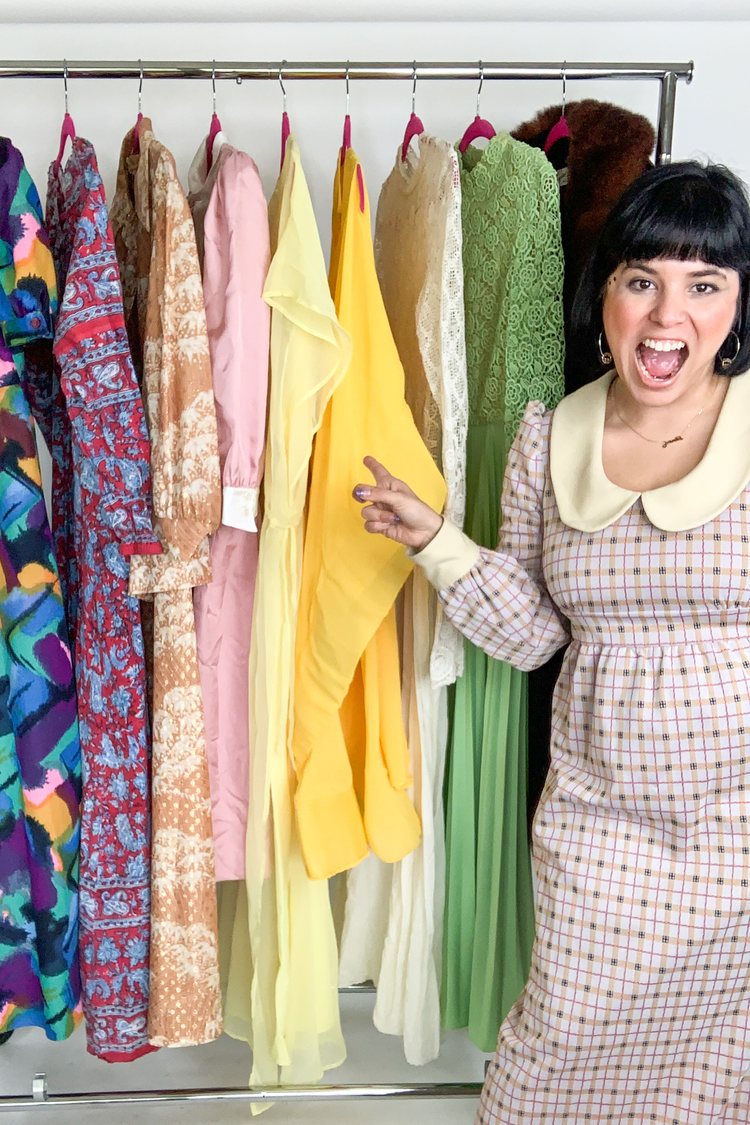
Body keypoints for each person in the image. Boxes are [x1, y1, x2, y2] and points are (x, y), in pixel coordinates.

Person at [353, 160, 750, 1123]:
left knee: (717, 1069)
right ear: (604, 290)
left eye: (704, 285)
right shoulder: (551, 433)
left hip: (740, 831)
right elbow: (531, 636)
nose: (669, 315)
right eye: (641, 279)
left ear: (737, 306)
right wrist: (438, 544)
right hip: (597, 823)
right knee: (558, 1047)